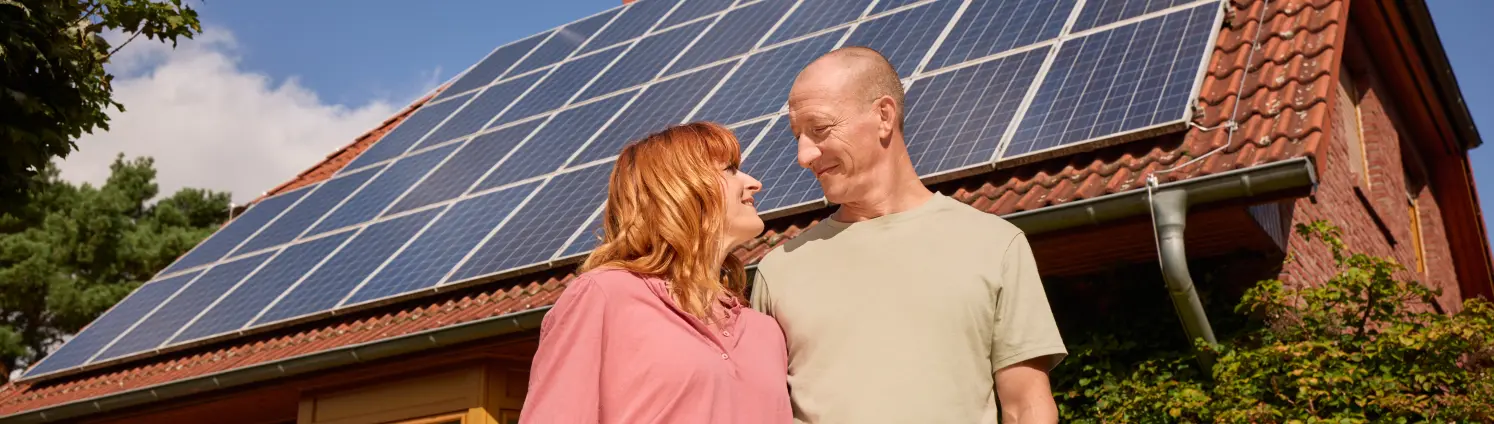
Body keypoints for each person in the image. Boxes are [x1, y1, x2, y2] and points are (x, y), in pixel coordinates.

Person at [749, 46, 1067, 424]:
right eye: (797, 136)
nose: (804, 155)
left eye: (819, 129)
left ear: (884, 116)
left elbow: (1026, 405)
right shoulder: (779, 271)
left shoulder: (994, 245)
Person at [521, 122, 791, 424]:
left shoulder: (765, 331)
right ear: (679, 187)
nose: (755, 183)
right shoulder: (606, 296)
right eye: (729, 170)